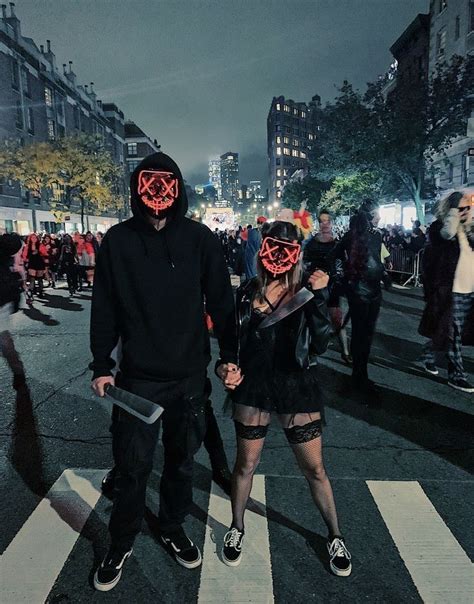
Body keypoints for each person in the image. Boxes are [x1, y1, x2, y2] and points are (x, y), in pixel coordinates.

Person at [90, 152, 238, 592]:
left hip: (189, 376)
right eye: (149, 185)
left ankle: (172, 526)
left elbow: (222, 303)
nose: (157, 195)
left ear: (177, 189)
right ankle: (121, 540)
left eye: (166, 185)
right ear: (137, 188)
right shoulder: (117, 241)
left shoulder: (200, 240)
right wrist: (103, 364)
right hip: (138, 378)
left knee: (181, 463)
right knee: (132, 466)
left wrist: (229, 355)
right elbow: (105, 308)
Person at [219, 218, 352, 577]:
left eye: (286, 249)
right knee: (245, 465)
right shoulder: (247, 292)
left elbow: (321, 343)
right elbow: (232, 345)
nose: (278, 255)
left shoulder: (306, 293)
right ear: (262, 250)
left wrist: (322, 296)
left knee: (315, 469)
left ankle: (335, 535)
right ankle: (237, 527)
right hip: (255, 388)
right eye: (272, 247)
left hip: (296, 386)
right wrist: (225, 368)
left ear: (296, 256)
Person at [419, 190, 474, 392]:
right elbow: (446, 233)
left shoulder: (470, 232)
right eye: (460, 208)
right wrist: (453, 214)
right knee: (454, 334)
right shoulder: (440, 229)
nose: (464, 211)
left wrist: (468, 221)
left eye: (467, 208)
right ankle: (456, 375)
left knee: (449, 332)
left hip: (470, 291)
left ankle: (428, 352)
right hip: (450, 291)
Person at [331, 200, 385, 398]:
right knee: (361, 335)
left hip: (374, 292)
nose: (379, 217)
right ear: (369, 216)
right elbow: (334, 255)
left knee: (368, 335)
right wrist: (342, 276)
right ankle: (358, 375)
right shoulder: (351, 237)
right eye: (376, 214)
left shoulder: (377, 235)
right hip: (359, 292)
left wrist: (384, 276)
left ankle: (362, 373)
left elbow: (378, 260)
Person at [304, 210, 351, 364]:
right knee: (314, 319)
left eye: (327, 221)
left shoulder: (338, 243)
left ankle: (345, 351)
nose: (324, 224)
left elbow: (344, 263)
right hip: (315, 286)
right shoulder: (311, 243)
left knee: (337, 320)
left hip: (332, 286)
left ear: (331, 222)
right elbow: (304, 262)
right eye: (322, 221)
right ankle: (313, 353)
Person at [22, 233, 47, 304]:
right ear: (30, 238)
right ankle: (31, 294)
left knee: (40, 278)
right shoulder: (28, 246)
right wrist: (26, 260)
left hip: (39, 262)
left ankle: (41, 292)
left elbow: (44, 252)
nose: (34, 239)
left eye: (35, 238)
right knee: (32, 279)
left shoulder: (40, 245)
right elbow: (24, 255)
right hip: (32, 263)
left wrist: (40, 253)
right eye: (32, 238)